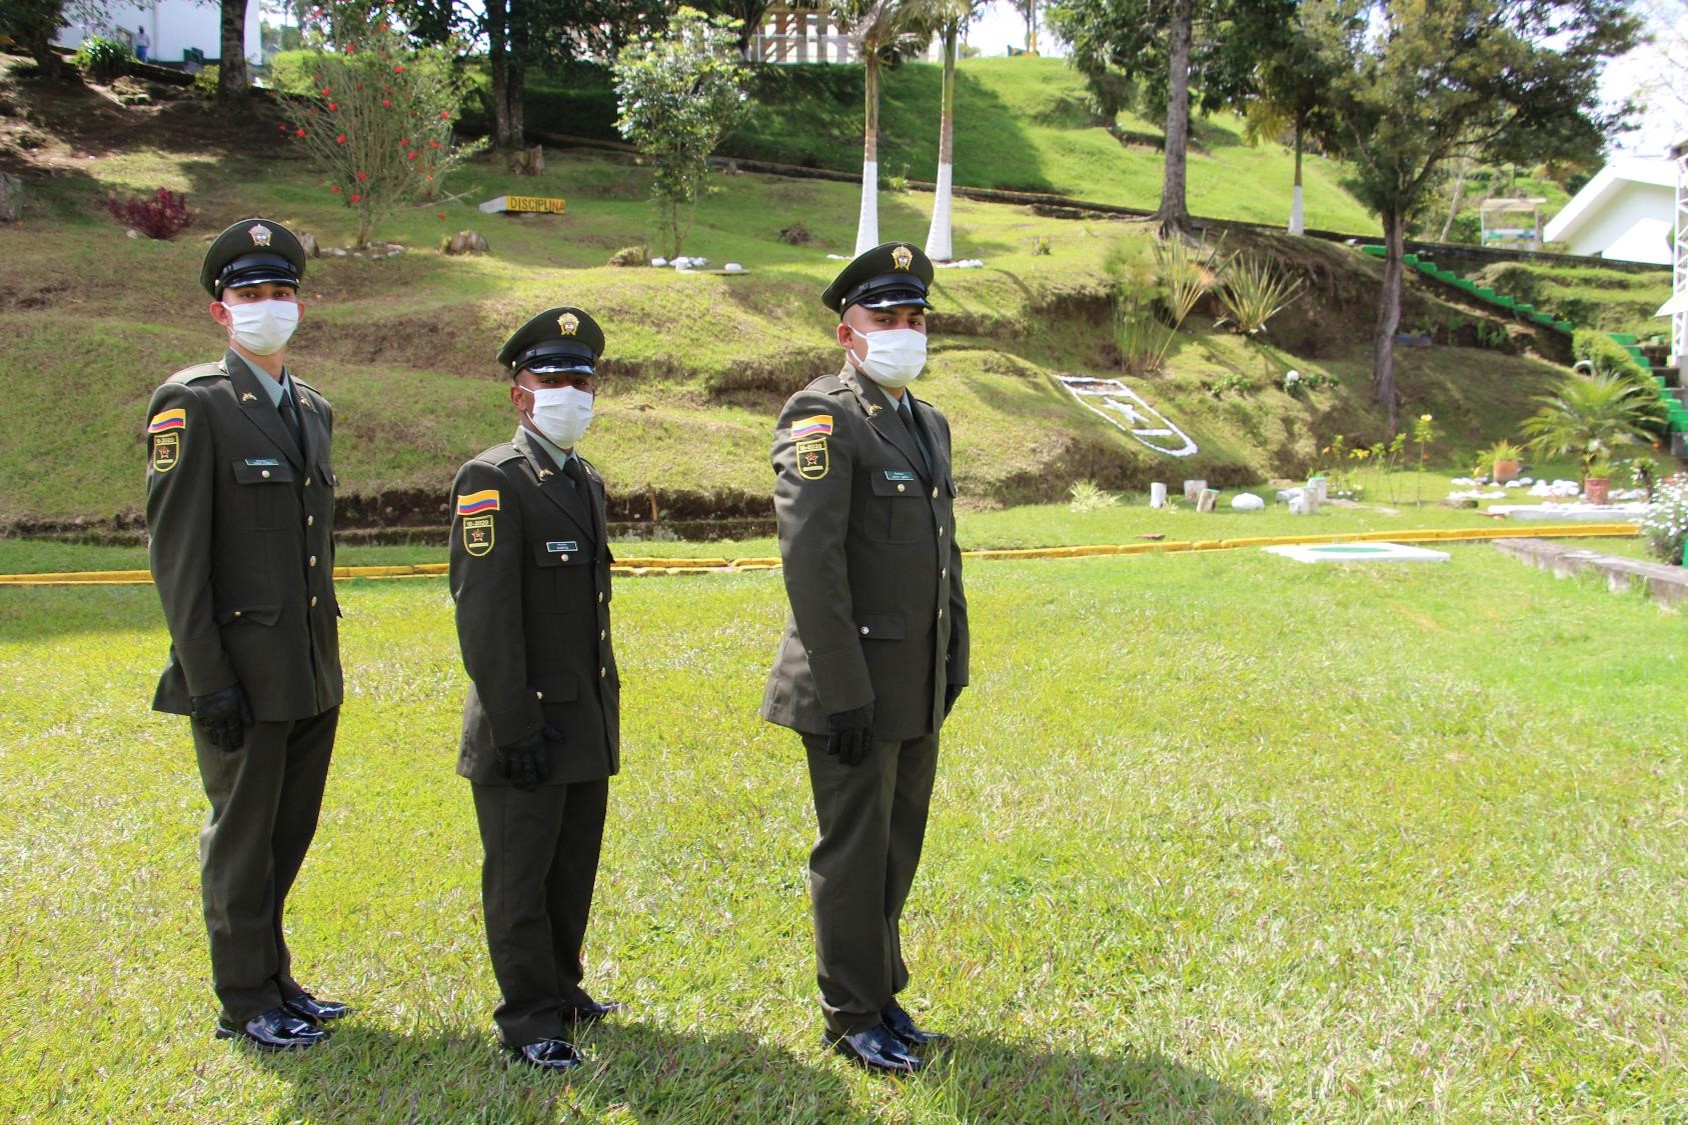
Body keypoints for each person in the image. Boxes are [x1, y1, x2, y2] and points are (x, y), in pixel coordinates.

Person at [760, 242, 970, 1074]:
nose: (904, 332)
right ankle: (850, 1013)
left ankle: (881, 991)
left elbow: (942, 551)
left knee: (897, 843)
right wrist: (844, 692)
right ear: (849, 334)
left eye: (915, 318)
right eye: (886, 319)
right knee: (853, 850)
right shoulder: (820, 417)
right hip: (851, 688)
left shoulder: (927, 421)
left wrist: (951, 660)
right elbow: (812, 563)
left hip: (914, 679)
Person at [145, 217, 348, 1051]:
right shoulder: (192, 404)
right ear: (218, 311)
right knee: (240, 838)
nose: (271, 306)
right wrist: (208, 679)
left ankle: (276, 978)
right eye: (251, 294)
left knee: (284, 834)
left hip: (306, 668)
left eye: (282, 292)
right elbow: (178, 560)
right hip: (238, 672)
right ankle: (242, 997)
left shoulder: (313, 408)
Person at [449, 307, 623, 1073]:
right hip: (524, 724)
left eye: (581, 379)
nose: (570, 392)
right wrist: (515, 725)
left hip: (582, 717)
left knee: (571, 865)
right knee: (521, 874)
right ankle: (527, 1016)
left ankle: (563, 987)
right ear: (520, 394)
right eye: (553, 379)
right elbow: (485, 622)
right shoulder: (493, 481)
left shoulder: (584, 479)